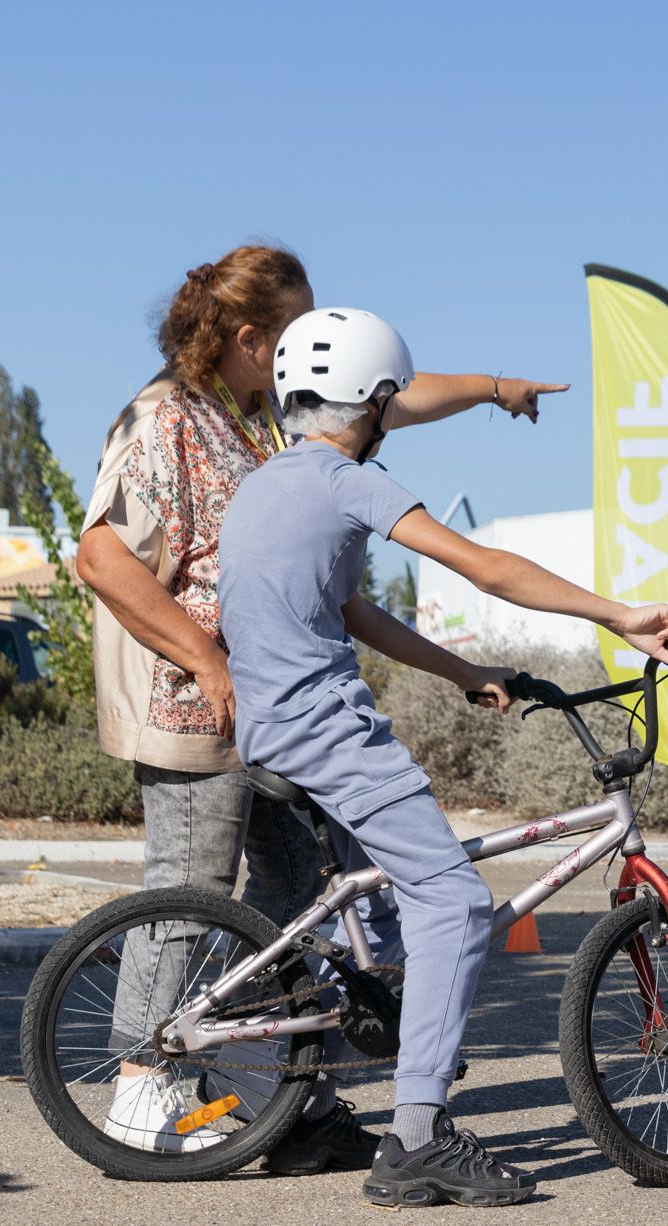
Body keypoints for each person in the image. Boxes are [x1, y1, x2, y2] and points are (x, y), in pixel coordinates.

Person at [76, 245, 567, 1171]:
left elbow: (391, 396)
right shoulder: (167, 416)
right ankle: (142, 1082)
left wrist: (494, 389)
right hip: (191, 701)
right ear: (249, 336)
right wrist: (206, 660)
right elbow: (101, 557)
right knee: (190, 889)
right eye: (294, 328)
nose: (309, 345)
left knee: (294, 895)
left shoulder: (263, 416)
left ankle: (275, 1093)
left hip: (267, 703)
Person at [218, 306, 668, 1208]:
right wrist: (619, 614)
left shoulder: (270, 482)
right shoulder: (346, 483)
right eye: (389, 402)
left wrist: (464, 671)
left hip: (276, 725)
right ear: (373, 400)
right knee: (456, 903)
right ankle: (418, 1137)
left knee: (389, 916)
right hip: (324, 728)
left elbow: (353, 613)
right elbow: (486, 567)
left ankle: (342, 1060)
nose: (395, 415)